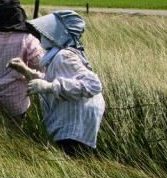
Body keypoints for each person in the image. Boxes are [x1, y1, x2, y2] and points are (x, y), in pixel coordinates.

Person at [8, 10, 105, 155]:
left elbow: (94, 84)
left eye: (46, 32)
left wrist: (49, 87)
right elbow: (52, 79)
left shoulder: (64, 55)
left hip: (74, 125)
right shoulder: (56, 56)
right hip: (71, 121)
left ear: (60, 35)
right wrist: (25, 71)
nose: (41, 36)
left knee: (72, 161)